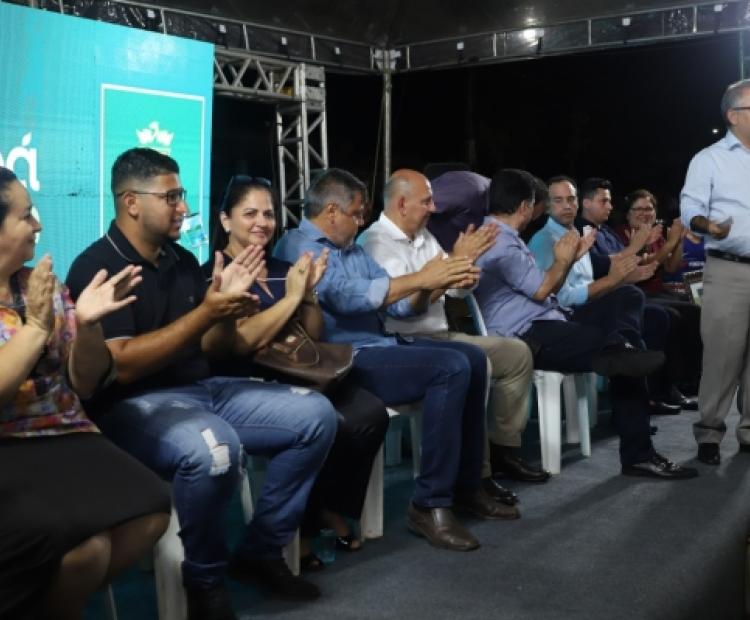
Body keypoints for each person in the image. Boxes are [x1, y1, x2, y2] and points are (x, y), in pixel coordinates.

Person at [65, 148, 337, 620]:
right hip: (134, 404)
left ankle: (261, 550)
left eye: (182, 195)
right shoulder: (98, 266)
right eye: (171, 197)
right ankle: (204, 580)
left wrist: (225, 310)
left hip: (205, 390)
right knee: (215, 449)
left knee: (316, 415)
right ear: (131, 202)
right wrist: (205, 314)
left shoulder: (182, 260)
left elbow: (214, 347)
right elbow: (121, 365)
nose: (184, 208)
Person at [275, 167, 517, 553]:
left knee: (472, 358)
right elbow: (345, 296)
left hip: (380, 347)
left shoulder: (352, 250)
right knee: (450, 368)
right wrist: (424, 278)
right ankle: (429, 504)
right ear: (332, 211)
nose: (361, 221)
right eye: (357, 213)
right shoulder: (298, 245)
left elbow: (402, 305)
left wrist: (438, 279)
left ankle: (467, 485)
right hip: (342, 360)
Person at [0, 166, 170, 620]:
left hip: (66, 431)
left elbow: (84, 381)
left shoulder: (42, 286)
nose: (38, 224)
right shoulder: (40, 302)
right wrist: (36, 327)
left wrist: (90, 325)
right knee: (85, 551)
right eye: (25, 215)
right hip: (8, 443)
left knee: (153, 508)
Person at [203, 174, 389, 569]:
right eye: (250, 213)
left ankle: (325, 507)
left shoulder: (283, 266)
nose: (262, 222)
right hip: (247, 381)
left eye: (268, 214)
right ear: (225, 220)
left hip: (298, 371)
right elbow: (242, 343)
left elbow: (313, 334)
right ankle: (300, 528)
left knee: (370, 414)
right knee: (328, 420)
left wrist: (308, 296)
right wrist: (290, 298)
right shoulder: (216, 274)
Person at [474, 168, 698, 480]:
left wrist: (577, 260)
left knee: (627, 305)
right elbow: (544, 290)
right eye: (549, 201)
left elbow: (547, 290)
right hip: (528, 334)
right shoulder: (502, 241)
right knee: (623, 357)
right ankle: (639, 454)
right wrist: (567, 260)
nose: (558, 207)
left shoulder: (502, 236)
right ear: (526, 206)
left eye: (570, 199)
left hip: (549, 320)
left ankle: (626, 349)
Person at [359, 168, 540, 503]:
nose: (434, 208)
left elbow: (455, 289)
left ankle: (502, 450)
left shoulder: (424, 236)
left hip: (442, 336)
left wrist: (465, 271)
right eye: (426, 201)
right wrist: (449, 269)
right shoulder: (374, 243)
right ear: (402, 204)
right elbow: (404, 309)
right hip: (405, 345)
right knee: (471, 363)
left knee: (516, 354)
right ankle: (474, 476)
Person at [574, 177, 697, 411]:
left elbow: (648, 266)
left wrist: (671, 243)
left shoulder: (606, 231)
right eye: (604, 201)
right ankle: (657, 391)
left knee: (689, 310)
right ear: (586, 203)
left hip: (630, 292)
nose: (610, 206)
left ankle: (682, 384)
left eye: (649, 209)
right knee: (666, 316)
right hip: (610, 298)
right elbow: (606, 267)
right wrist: (641, 247)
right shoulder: (583, 233)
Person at [680, 78, 750, 465]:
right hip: (729, 270)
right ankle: (709, 433)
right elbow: (690, 208)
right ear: (733, 115)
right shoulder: (709, 159)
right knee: (722, 356)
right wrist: (709, 226)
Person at [615, 189, 702, 398]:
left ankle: (691, 379)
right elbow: (646, 267)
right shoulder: (623, 234)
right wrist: (669, 243)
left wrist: (678, 240)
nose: (644, 213)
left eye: (649, 209)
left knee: (695, 309)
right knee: (675, 315)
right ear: (628, 213)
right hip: (637, 292)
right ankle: (672, 383)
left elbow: (671, 267)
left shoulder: (657, 234)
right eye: (638, 209)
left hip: (657, 291)